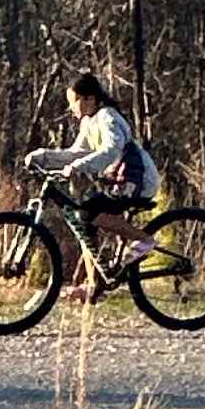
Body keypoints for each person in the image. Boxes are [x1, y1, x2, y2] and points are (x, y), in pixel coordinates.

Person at [32, 69, 160, 285]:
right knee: (84, 221)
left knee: (88, 212)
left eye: (74, 101)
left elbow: (112, 149)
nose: (71, 107)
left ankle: (145, 240)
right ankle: (95, 284)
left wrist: (78, 166)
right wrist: (43, 157)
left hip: (137, 180)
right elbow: (76, 154)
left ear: (90, 99)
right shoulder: (89, 122)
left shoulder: (107, 116)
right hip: (120, 181)